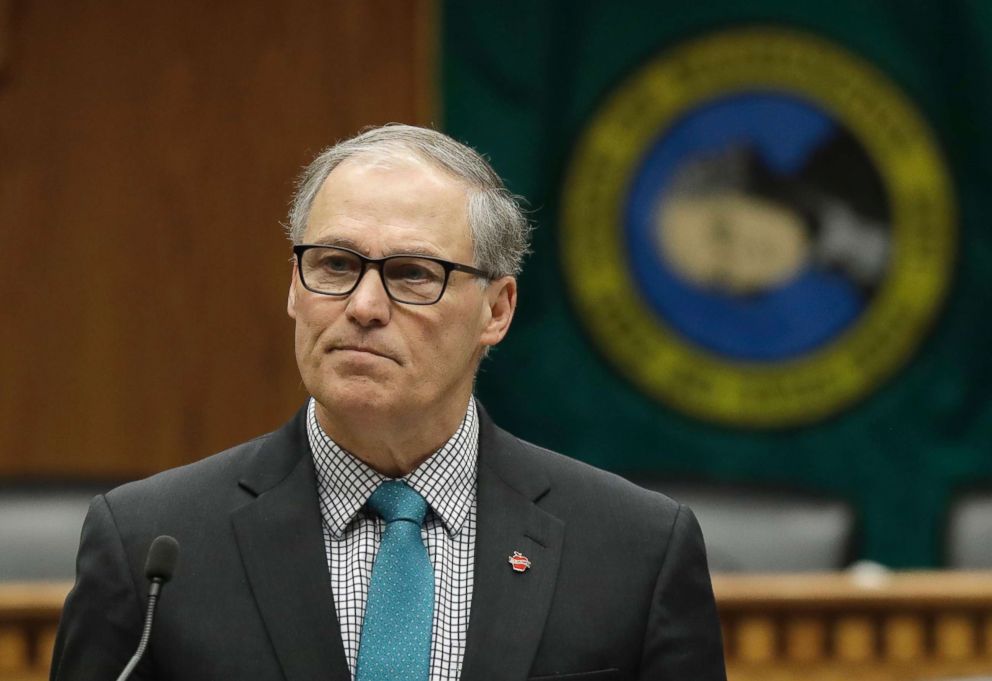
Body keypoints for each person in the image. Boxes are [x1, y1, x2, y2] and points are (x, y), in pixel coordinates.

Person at [51, 124, 726, 681]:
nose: (364, 306)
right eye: (335, 265)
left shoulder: (635, 549)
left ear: (497, 308)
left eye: (412, 274)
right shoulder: (150, 546)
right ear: (294, 286)